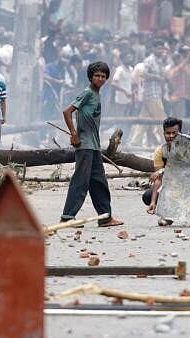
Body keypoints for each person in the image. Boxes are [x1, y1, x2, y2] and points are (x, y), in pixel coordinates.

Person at [59, 61, 124, 227]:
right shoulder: (87, 93)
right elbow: (67, 112)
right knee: (81, 181)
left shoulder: (96, 94)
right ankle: (67, 217)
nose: (100, 78)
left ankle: (105, 217)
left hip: (93, 146)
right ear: (91, 77)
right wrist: (74, 134)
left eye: (103, 76)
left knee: (99, 182)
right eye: (97, 75)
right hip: (85, 146)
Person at [128, 39, 168, 148]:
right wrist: (157, 77)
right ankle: (165, 141)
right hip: (151, 94)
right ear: (154, 49)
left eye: (162, 48)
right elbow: (143, 74)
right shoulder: (149, 60)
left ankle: (135, 141)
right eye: (158, 48)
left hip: (156, 93)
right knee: (160, 117)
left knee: (144, 118)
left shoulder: (159, 61)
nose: (160, 50)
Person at [110, 51, 134, 117]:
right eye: (128, 57)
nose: (130, 58)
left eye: (130, 57)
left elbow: (131, 83)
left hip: (129, 97)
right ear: (123, 59)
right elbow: (113, 84)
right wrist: (125, 91)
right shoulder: (119, 70)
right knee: (119, 117)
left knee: (127, 117)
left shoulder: (131, 69)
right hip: (120, 99)